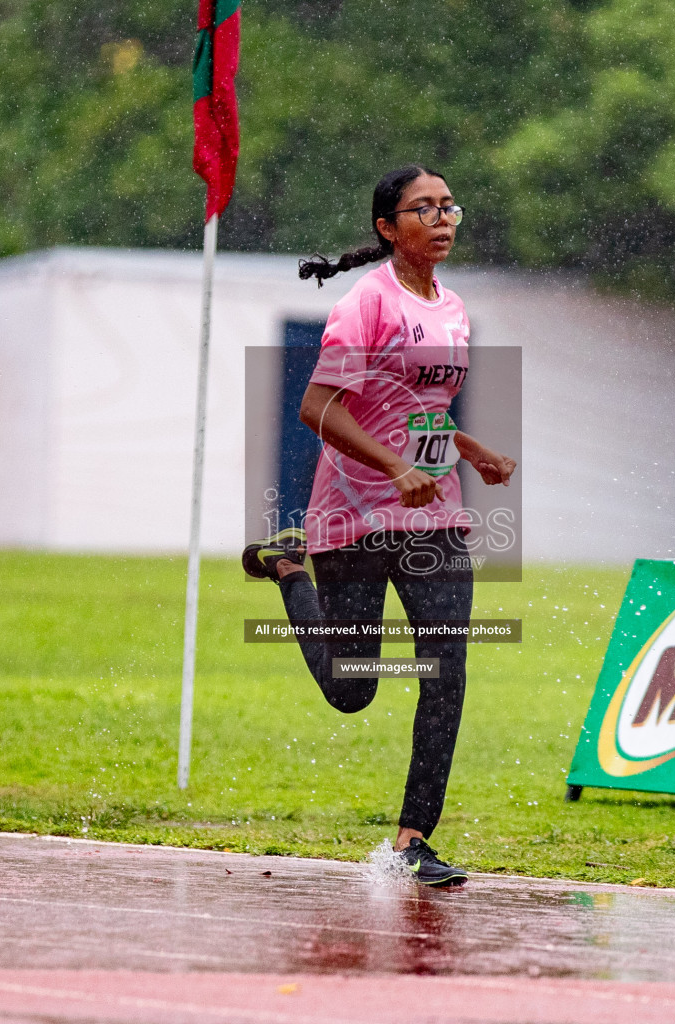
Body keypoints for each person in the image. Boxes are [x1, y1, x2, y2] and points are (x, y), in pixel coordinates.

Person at [243, 164, 517, 887]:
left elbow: (413, 406)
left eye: (449, 205)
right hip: (352, 519)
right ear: (387, 229)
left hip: (435, 516)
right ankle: (287, 568)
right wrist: (395, 468)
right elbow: (319, 408)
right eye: (422, 209)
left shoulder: (452, 308)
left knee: (446, 670)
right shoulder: (365, 304)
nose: (442, 218)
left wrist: (466, 447)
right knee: (351, 689)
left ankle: (412, 841)